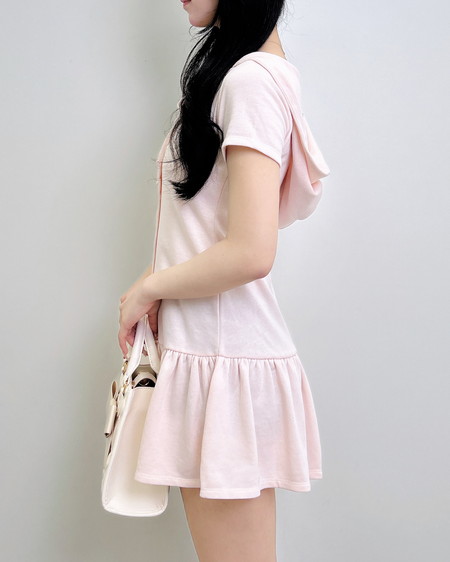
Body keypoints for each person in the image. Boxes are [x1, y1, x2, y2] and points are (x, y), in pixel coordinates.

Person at [118, 1, 330, 560]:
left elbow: (252, 251)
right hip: (213, 355)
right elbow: (212, 229)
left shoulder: (251, 82)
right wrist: (153, 280)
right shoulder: (249, 76)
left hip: (223, 363)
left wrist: (150, 289)